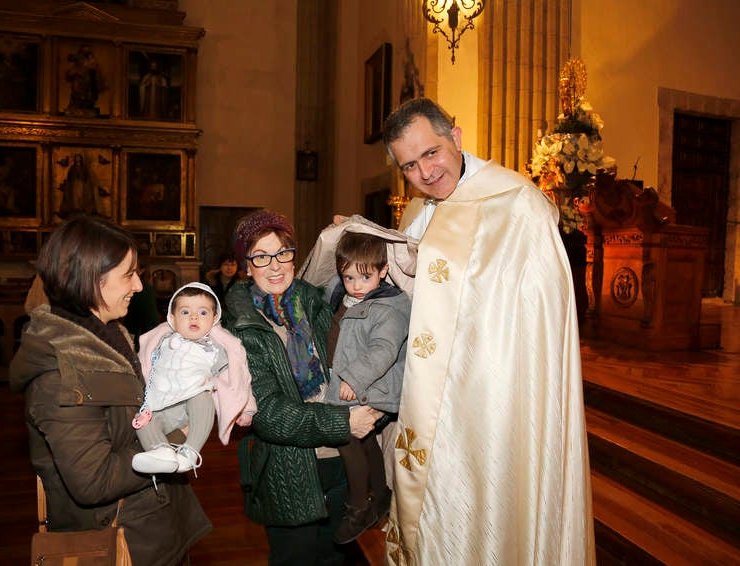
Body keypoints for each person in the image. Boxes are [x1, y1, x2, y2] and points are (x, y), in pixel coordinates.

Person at [381, 98, 594, 564]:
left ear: (455, 137)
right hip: (424, 395)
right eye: (410, 166)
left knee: (487, 514)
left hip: (492, 400)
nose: (426, 173)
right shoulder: (418, 209)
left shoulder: (518, 205)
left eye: (432, 153)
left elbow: (535, 317)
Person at [10, 215, 211, 566]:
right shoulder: (61, 372)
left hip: (151, 524)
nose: (138, 285)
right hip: (122, 537)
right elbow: (94, 480)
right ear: (89, 278)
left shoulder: (109, 338)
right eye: (128, 274)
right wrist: (171, 443)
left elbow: (132, 419)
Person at [224, 210, 382, 566]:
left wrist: (355, 231)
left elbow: (362, 343)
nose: (275, 265)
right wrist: (344, 423)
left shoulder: (315, 301)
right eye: (261, 257)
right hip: (288, 473)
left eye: (283, 252)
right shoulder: (239, 327)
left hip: (344, 464)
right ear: (246, 266)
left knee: (339, 558)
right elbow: (269, 414)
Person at [323, 231, 410, 545]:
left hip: (371, 385)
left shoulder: (387, 307)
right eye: (348, 277)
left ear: (384, 270)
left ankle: (359, 506)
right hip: (353, 381)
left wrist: (353, 379)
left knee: (345, 435)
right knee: (366, 438)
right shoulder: (350, 297)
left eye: (365, 277)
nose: (356, 285)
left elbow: (383, 350)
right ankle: (382, 492)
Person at [131, 282, 256, 475]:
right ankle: (161, 453)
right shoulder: (162, 341)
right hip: (161, 406)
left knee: (201, 394)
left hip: (192, 407)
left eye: (203, 313)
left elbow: (238, 376)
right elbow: (144, 363)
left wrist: (246, 408)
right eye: (185, 312)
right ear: (172, 318)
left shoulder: (214, 348)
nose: (194, 317)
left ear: (215, 318)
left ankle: (189, 452)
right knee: (144, 421)